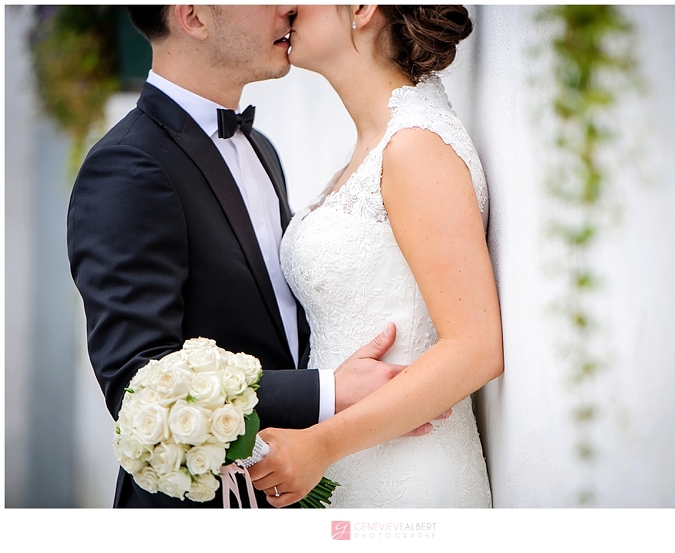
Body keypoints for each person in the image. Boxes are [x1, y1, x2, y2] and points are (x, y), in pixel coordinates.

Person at [66, 5, 433, 508]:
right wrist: (327, 391)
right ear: (194, 17)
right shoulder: (127, 166)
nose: (288, 6)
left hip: (299, 487)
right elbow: (138, 383)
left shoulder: (261, 148)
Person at [248, 5, 503, 508]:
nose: (283, 7)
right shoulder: (375, 144)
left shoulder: (416, 145)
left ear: (362, 8)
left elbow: (476, 347)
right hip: (345, 474)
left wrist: (322, 443)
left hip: (409, 481)